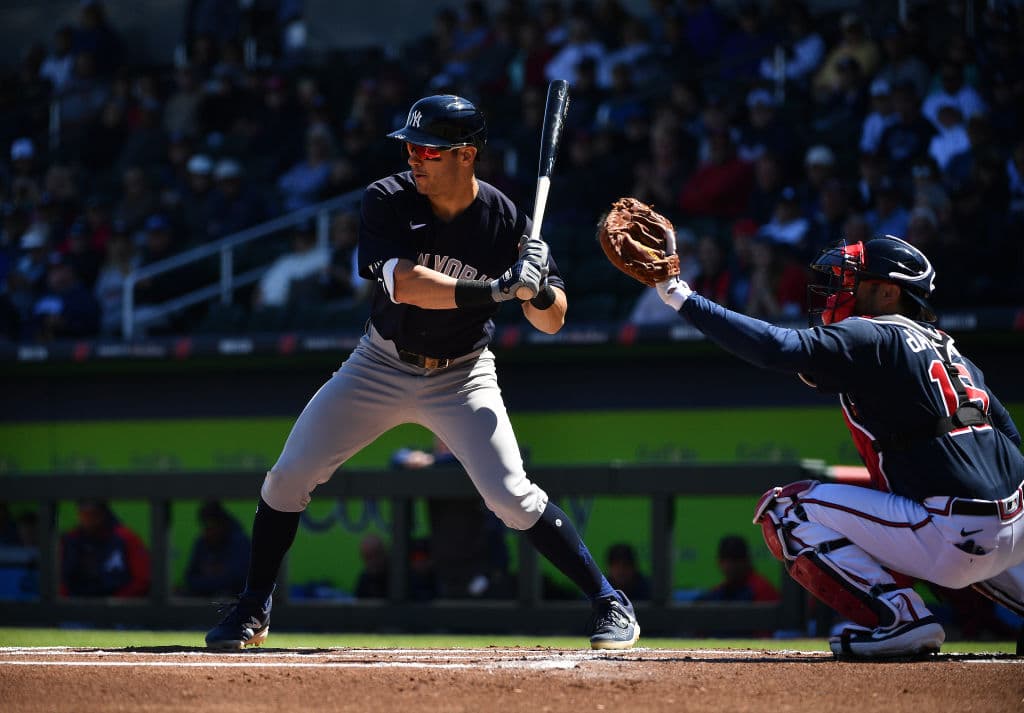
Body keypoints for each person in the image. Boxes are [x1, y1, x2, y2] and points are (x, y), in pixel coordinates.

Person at [205, 94, 640, 650]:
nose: (414, 157)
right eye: (411, 146)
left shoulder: (508, 220)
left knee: (512, 497)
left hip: (462, 375)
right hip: (379, 363)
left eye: (427, 150)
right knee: (287, 478)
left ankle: (610, 601)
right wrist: (499, 288)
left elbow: (552, 321)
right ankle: (252, 607)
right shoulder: (387, 197)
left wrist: (538, 287)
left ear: (465, 155)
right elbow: (406, 284)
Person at [650, 235, 1024, 658]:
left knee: (786, 510)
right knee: (971, 513)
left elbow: (777, 347)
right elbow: (1006, 428)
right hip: (1018, 524)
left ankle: (903, 618)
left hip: (954, 535)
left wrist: (679, 295)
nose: (840, 289)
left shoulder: (874, 332)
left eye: (856, 280)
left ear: (889, 292)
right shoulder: (949, 348)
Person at [59, 500, 150, 598]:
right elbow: (59, 582)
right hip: (76, 604)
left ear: (103, 513)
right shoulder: (70, 539)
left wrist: (116, 601)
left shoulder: (125, 538)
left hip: (120, 605)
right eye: (84, 514)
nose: (88, 519)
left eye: (93, 514)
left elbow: (143, 579)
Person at [183, 501, 250, 597]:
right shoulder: (202, 542)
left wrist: (208, 578)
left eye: (213, 525)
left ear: (222, 524)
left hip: (235, 602)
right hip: (203, 601)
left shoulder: (240, 543)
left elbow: (237, 580)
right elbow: (190, 578)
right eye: (206, 526)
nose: (208, 531)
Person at [699, 535, 779, 603]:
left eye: (735, 560)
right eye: (726, 561)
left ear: (747, 561)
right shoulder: (718, 592)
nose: (730, 566)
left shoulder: (762, 590)